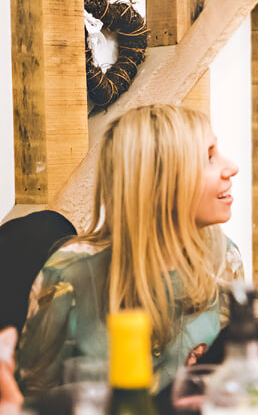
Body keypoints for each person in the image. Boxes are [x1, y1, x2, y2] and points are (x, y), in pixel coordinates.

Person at [15, 105, 244, 396]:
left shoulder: (224, 258)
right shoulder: (70, 276)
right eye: (209, 158)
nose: (231, 167)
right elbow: (34, 397)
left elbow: (232, 377)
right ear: (159, 182)